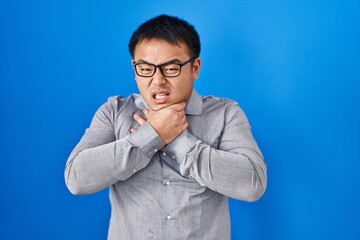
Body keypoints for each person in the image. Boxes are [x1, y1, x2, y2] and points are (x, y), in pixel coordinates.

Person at [64, 14, 267, 240]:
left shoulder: (226, 114)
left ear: (195, 67)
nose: (158, 80)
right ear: (135, 69)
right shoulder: (114, 111)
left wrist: (178, 142)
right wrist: (152, 135)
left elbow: (253, 184)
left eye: (171, 68)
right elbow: (76, 178)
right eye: (146, 68)